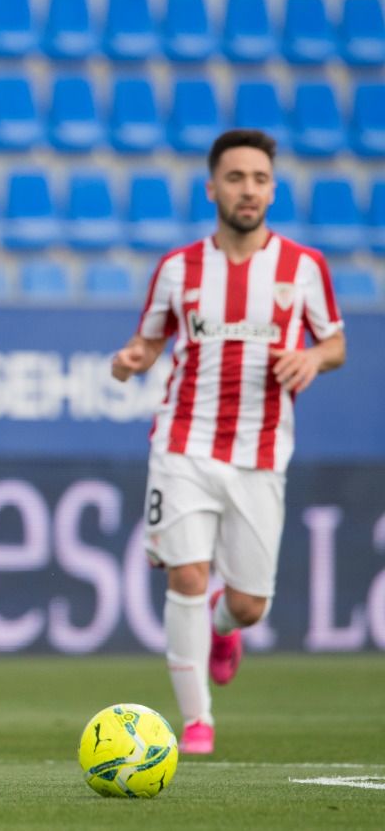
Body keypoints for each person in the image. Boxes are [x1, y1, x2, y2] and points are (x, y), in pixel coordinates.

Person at [111, 129, 345, 756]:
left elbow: (336, 343)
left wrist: (312, 359)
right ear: (212, 187)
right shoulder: (177, 268)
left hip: (263, 454)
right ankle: (196, 723)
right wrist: (133, 358)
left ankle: (224, 625)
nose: (249, 189)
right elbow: (151, 340)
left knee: (248, 606)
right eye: (237, 178)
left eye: (260, 179)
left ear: (273, 189)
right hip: (183, 444)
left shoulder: (304, 268)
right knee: (185, 575)